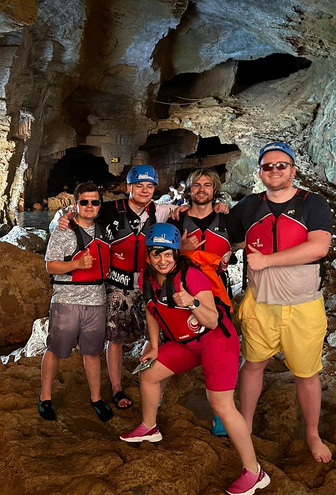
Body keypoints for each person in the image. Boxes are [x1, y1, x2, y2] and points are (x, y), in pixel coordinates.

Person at [120, 223, 270, 495]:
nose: (162, 260)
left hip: (216, 341)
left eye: (168, 254)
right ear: (148, 256)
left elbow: (212, 321)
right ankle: (149, 427)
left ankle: (254, 471)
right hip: (185, 344)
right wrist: (153, 346)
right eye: (156, 254)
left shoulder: (192, 276)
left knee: (221, 404)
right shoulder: (146, 278)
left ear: (176, 254)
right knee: (149, 373)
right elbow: (152, 310)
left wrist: (192, 302)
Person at [227, 141, 333, 463]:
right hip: (261, 303)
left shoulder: (312, 204)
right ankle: (243, 423)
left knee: (307, 373)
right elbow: (224, 236)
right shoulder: (249, 206)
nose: (274, 170)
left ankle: (312, 434)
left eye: (281, 165)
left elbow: (318, 248)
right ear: (260, 172)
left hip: (304, 304)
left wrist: (267, 261)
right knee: (253, 364)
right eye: (268, 166)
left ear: (293, 170)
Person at [59, 165, 176, 410]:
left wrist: (217, 207)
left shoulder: (161, 210)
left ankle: (146, 372)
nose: (145, 190)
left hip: (146, 283)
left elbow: (188, 211)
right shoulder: (111, 209)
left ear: (155, 188)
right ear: (129, 187)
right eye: (139, 185)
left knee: (160, 335)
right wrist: (67, 216)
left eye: (150, 186)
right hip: (117, 284)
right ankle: (116, 388)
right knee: (115, 337)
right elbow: (83, 215)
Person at [39, 182, 113, 422]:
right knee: (56, 350)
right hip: (66, 299)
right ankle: (45, 397)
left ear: (99, 205)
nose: (90, 206)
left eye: (94, 202)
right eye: (84, 202)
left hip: (96, 300)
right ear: (76, 204)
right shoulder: (63, 231)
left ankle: (96, 398)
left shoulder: (105, 231)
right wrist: (76, 265)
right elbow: (50, 265)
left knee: (92, 352)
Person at [168, 168, 233, 437]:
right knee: (172, 341)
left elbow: (243, 244)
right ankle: (156, 397)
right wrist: (183, 252)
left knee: (218, 355)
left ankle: (220, 414)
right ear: (189, 190)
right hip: (183, 293)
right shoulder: (177, 219)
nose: (202, 190)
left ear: (214, 190)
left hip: (217, 296)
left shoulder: (228, 218)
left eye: (207, 185)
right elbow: (161, 257)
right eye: (196, 185)